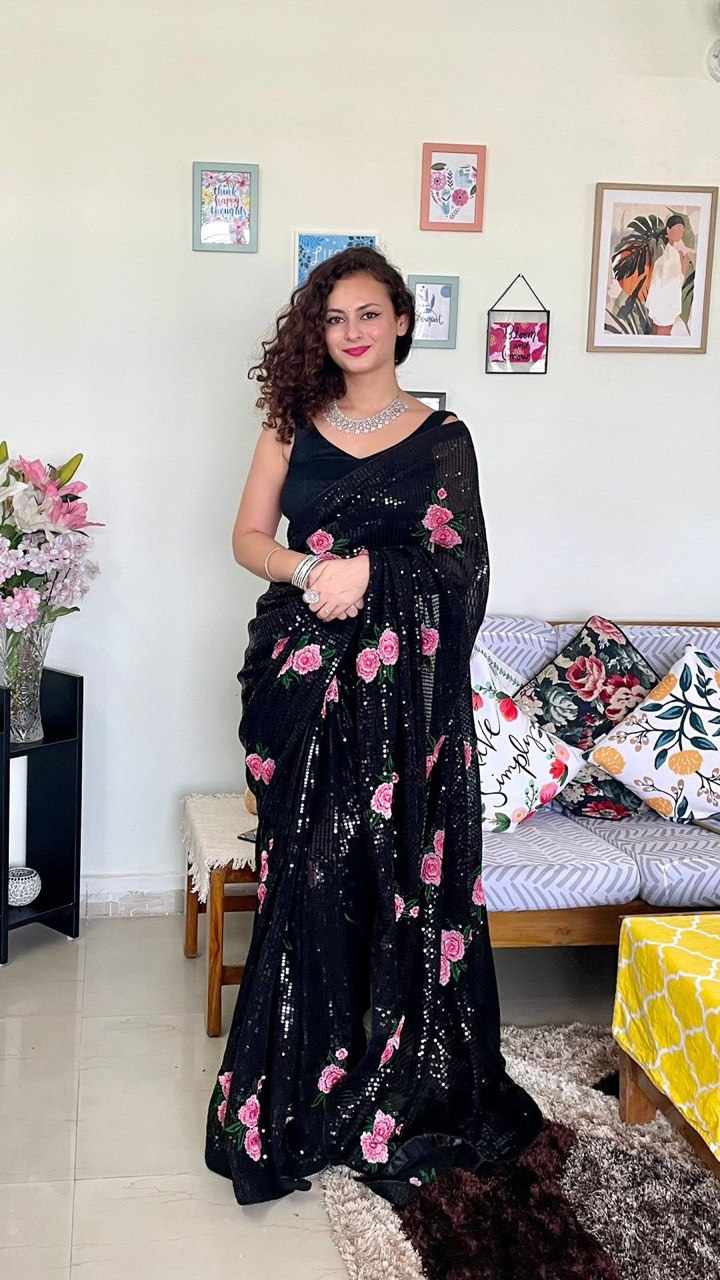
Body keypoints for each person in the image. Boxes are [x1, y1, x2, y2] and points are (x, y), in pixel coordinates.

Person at [204, 246, 542, 1208]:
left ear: (400, 321)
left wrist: (375, 575)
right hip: (302, 688)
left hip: (402, 712)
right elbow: (247, 538)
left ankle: (396, 1082)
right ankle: (308, 1083)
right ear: (318, 334)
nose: (351, 332)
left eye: (366, 314)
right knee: (311, 875)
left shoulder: (443, 438)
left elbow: (463, 571)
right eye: (333, 318)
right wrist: (315, 570)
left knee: (392, 878)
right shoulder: (290, 424)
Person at [646, 213, 692, 335]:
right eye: (677, 228)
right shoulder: (666, 253)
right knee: (659, 334)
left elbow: (678, 279)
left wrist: (684, 257)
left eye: (682, 229)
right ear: (668, 230)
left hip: (668, 303)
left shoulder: (679, 252)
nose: (680, 232)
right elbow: (671, 279)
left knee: (661, 334)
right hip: (662, 303)